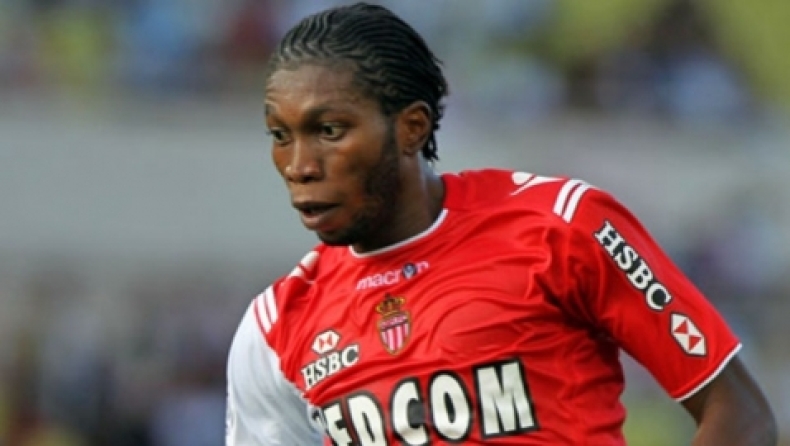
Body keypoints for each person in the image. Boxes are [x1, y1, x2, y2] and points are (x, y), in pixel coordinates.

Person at [225, 3, 777, 445]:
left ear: (411, 128)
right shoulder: (273, 329)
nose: (299, 165)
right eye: (281, 135)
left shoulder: (561, 225)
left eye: (329, 131)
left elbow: (740, 415)